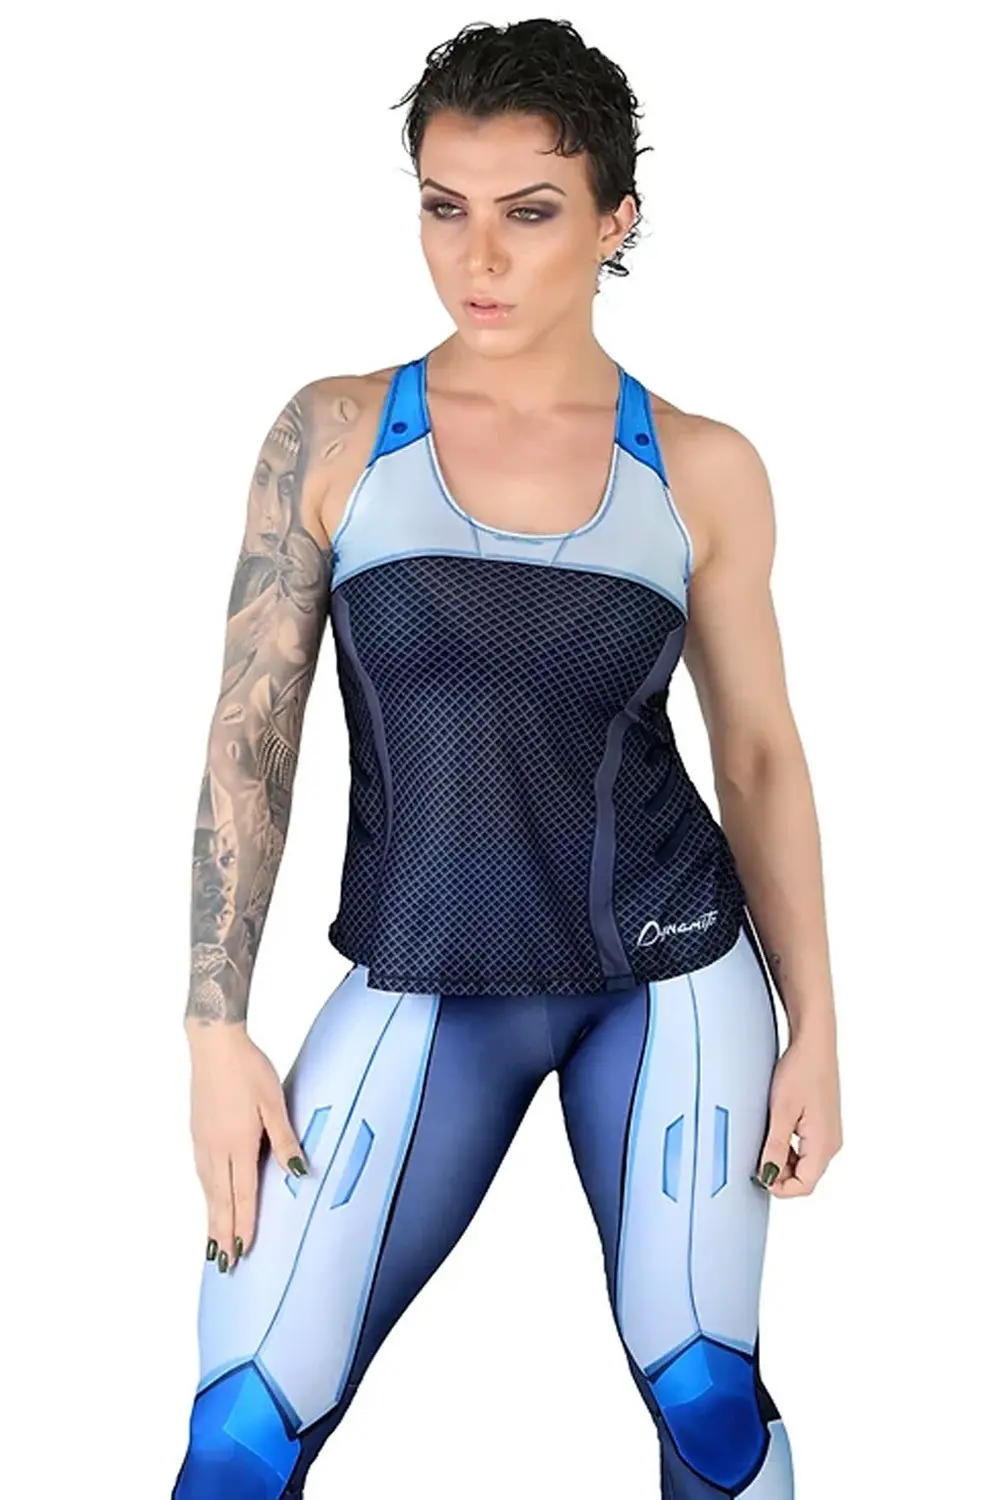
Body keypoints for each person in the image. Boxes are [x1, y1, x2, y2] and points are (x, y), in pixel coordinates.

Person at [173, 18, 842, 1499]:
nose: (476, 257)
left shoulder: (701, 466)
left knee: (709, 1406)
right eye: (444, 206)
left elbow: (757, 756)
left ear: (615, 220)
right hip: (427, 971)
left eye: (529, 213)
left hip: (669, 977)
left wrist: (817, 1032)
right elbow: (251, 732)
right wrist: (216, 1028)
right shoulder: (336, 435)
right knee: (240, 1437)